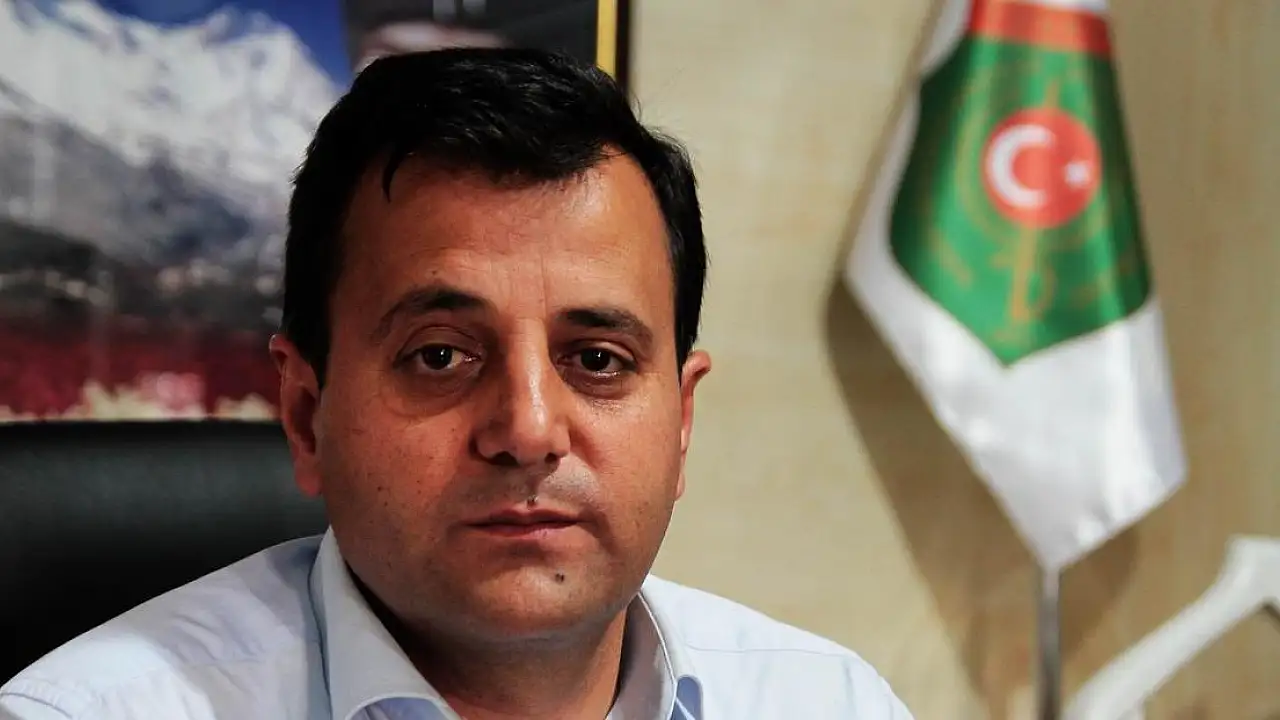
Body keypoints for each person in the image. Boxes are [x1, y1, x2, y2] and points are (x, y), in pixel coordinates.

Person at [0, 49, 913, 719]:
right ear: (308, 416)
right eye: (440, 356)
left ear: (681, 421)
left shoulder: (830, 703)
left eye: (597, 359)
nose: (529, 429)